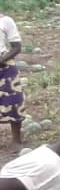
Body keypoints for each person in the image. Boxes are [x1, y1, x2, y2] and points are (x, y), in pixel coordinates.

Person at [0, 13, 24, 148]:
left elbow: (16, 46)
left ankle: (16, 140)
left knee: (14, 101)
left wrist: (2, 60)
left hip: (4, 65)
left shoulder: (5, 21)